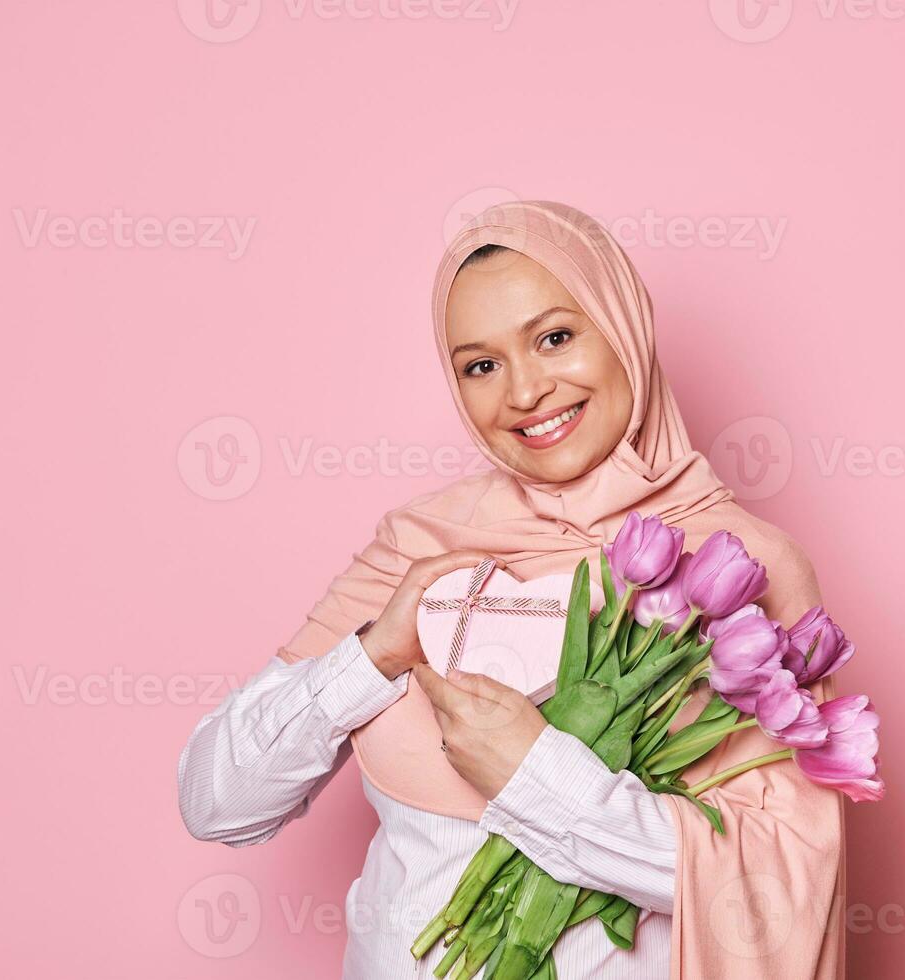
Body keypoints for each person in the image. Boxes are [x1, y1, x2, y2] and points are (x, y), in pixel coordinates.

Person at [177, 200, 846, 978]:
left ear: (623, 328)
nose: (524, 391)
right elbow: (218, 804)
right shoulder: (419, 545)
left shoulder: (738, 569)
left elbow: (772, 886)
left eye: (555, 337)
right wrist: (374, 655)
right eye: (481, 365)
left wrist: (535, 774)